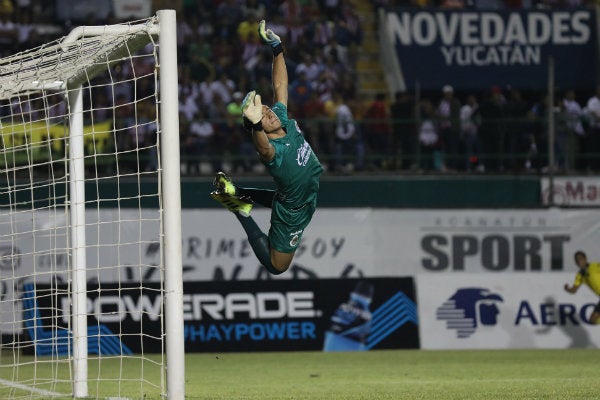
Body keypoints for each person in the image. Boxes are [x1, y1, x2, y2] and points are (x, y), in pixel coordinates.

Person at [210, 20, 323, 275]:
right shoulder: (273, 150)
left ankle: (235, 192)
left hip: (301, 199)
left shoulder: (281, 119)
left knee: (280, 199)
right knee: (277, 266)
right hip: (293, 212)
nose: (270, 111)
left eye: (267, 107)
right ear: (256, 125)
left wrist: (277, 48)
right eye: (263, 114)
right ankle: (237, 205)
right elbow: (262, 149)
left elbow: (280, 86)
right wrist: (255, 125)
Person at [564, 251, 600, 324]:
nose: (578, 261)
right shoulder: (579, 275)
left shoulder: (595, 266)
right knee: (593, 319)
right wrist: (568, 289)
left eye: (580, 259)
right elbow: (574, 290)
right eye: (576, 260)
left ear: (585, 259)